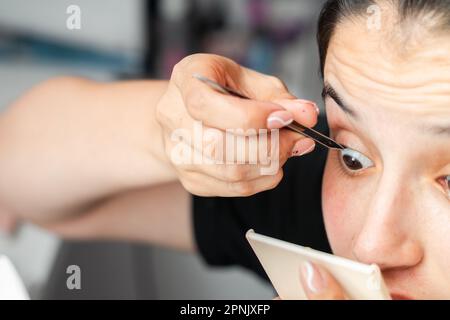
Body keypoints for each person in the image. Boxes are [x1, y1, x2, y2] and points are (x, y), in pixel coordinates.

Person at [1, 0, 449, 299]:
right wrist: (180, 135)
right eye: (352, 154)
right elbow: (19, 173)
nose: (371, 245)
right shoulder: (312, 196)